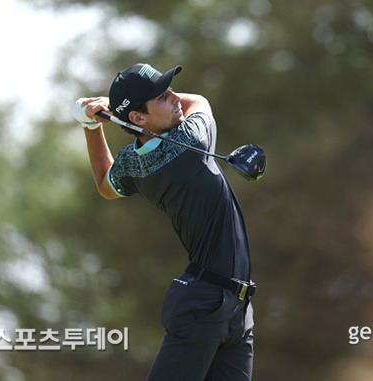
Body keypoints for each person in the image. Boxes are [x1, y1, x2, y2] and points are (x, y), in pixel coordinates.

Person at [72, 63, 256, 381]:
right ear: (138, 118)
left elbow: (105, 182)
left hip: (235, 308)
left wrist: (92, 127)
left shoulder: (134, 162)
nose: (174, 97)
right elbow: (199, 101)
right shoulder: (192, 142)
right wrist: (109, 110)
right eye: (161, 96)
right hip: (204, 302)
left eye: (169, 89)